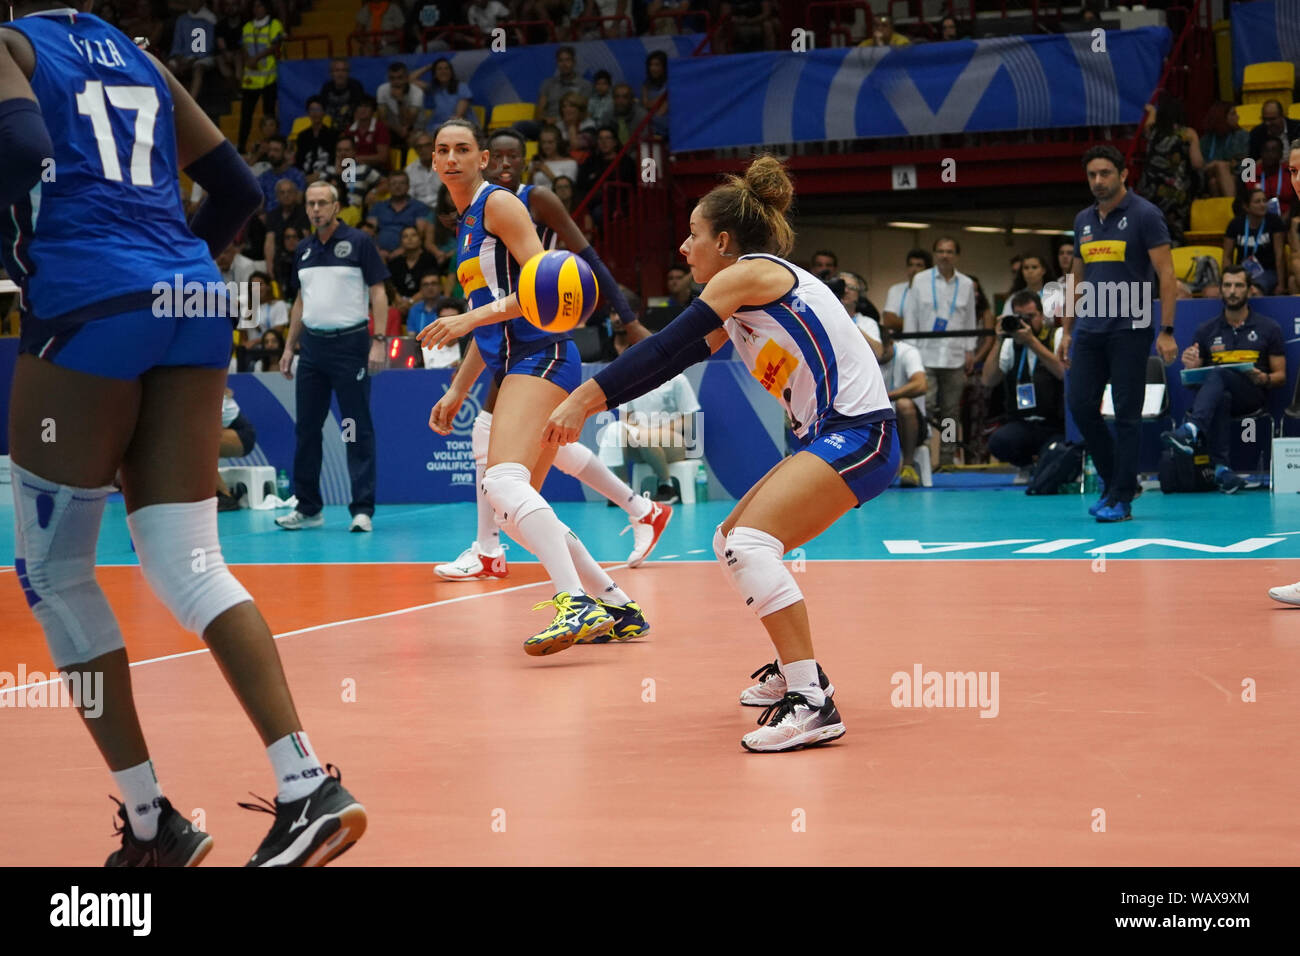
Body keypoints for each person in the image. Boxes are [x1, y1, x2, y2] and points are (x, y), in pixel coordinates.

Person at [0, 0, 364, 866]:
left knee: (54, 571)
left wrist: (51, 269)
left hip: (89, 300)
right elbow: (240, 188)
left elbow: (20, 153)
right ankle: (307, 785)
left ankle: (154, 822)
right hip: (193, 299)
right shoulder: (139, 56)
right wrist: (166, 276)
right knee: (191, 564)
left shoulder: (9, 44)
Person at [543, 155, 898, 753]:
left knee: (747, 543)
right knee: (728, 538)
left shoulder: (747, 275)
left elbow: (662, 347)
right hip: (838, 435)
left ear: (725, 242)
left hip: (861, 435)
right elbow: (674, 358)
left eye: (694, 235)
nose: (684, 247)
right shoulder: (742, 296)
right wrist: (597, 398)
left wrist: (582, 400)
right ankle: (797, 671)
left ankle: (812, 703)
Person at [415, 119, 651, 656]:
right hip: (515, 360)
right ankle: (612, 602)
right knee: (512, 510)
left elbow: (547, 291)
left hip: (542, 354)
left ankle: (574, 603)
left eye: (462, 149)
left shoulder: (498, 205)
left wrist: (463, 321)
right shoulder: (465, 223)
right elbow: (488, 318)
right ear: (432, 162)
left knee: (500, 481)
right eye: (441, 150)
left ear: (481, 159)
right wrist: (457, 389)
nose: (451, 158)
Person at [1058, 144, 1178, 522]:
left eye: (1105, 173)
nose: (1098, 181)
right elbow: (1076, 278)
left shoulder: (1145, 215)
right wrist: (1066, 331)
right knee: (1080, 406)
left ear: (1124, 174)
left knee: (1127, 414)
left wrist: (1168, 330)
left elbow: (1168, 275)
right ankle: (1118, 482)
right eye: (1092, 174)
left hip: (1130, 328)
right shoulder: (1083, 221)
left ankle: (1121, 497)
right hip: (1090, 330)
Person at [276, 182, 388, 533]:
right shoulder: (304, 250)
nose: (315, 209)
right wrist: (288, 347)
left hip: (351, 347)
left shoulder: (358, 243)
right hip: (312, 349)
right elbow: (300, 301)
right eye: (310, 203)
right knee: (306, 429)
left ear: (336, 207)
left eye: (322, 203)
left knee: (354, 429)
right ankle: (308, 508)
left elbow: (378, 292)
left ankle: (362, 509)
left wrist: (379, 340)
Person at [1162, 265, 1284, 493]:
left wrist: (1263, 377)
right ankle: (1222, 470)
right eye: (1227, 285)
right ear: (1220, 290)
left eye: (1238, 285)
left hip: (1252, 395)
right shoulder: (1206, 330)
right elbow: (1194, 384)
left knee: (1219, 373)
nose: (1232, 291)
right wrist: (1193, 366)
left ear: (1248, 290)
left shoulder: (1269, 328)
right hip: (1220, 399)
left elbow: (1280, 377)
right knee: (1221, 392)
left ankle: (1191, 430)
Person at [902, 236, 976, 468]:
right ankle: (920, 456)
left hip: (954, 356)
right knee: (926, 408)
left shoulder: (966, 284)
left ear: (957, 255)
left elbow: (970, 319)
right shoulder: (921, 280)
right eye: (940, 251)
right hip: (924, 355)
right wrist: (910, 352)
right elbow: (911, 317)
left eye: (950, 251)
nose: (945, 255)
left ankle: (947, 461)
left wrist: (969, 350)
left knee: (951, 414)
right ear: (934, 254)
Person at [981, 290, 1065, 474]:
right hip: (1022, 423)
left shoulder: (1056, 336)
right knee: (998, 442)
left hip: (1055, 424)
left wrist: (1032, 342)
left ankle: (1043, 466)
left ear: (1042, 316)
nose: (1025, 322)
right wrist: (998, 341)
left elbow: (1064, 374)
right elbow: (988, 380)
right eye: (1019, 317)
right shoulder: (1010, 344)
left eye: (1030, 316)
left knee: (1058, 453)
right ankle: (1027, 466)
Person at [614, 373, 699, 502]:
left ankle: (667, 486)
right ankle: (622, 491)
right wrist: (641, 431)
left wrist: (656, 431)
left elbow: (687, 420)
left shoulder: (678, 379)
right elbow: (624, 420)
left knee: (645, 437)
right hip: (640, 441)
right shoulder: (630, 380)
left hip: (673, 442)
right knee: (615, 433)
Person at [1135, 94, 1202, 246]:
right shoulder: (1188, 134)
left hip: (1149, 189)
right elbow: (1197, 163)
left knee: (1152, 230)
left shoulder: (1152, 131)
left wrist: (1151, 110)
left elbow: (1149, 121)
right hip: (1175, 191)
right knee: (1174, 229)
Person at [875, 327, 927, 487]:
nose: (878, 356)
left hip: (912, 425)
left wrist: (888, 396)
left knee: (904, 404)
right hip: (881, 423)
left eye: (881, 351)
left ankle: (908, 467)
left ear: (891, 343)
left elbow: (921, 385)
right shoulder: (867, 357)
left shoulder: (908, 352)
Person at [236, 0, 282, 154]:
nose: (257, 9)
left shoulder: (274, 24)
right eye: (255, 6)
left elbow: (275, 45)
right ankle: (241, 147)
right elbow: (243, 46)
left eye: (260, 5)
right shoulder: (247, 26)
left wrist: (256, 58)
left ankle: (273, 145)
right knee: (245, 116)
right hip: (250, 79)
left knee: (269, 114)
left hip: (268, 77)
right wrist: (249, 59)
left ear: (266, 8)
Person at [1223, 187, 1287, 295]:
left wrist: (1281, 285)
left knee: (1252, 290)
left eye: (1264, 201)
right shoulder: (1235, 224)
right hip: (1241, 271)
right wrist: (1225, 279)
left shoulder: (1274, 222)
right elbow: (1227, 256)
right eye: (1257, 202)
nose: (1263, 205)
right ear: (1246, 207)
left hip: (1267, 271)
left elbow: (1279, 255)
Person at [367, 170, 431, 259]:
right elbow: (369, 232)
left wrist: (402, 250)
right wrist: (377, 250)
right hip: (379, 254)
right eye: (394, 184)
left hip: (408, 253)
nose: (397, 186)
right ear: (388, 187)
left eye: (402, 183)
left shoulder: (419, 207)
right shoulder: (378, 207)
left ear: (408, 187)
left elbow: (420, 234)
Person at [216, 387, 257, 511]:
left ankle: (225, 496)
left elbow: (212, 425)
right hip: (225, 433)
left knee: (197, 442)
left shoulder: (210, 391)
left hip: (243, 436)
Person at [167, 0, 216, 100]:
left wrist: (191, 61)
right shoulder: (182, 20)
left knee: (198, 68)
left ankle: (191, 102)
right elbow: (177, 44)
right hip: (182, 57)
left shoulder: (209, 20)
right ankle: (167, 101)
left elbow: (208, 47)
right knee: (168, 68)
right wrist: (179, 59)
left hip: (202, 57)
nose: (193, 2)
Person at [1200, 101, 1250, 198]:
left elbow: (1244, 164)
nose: (1238, 117)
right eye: (1233, 114)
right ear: (1221, 117)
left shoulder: (1242, 136)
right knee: (1214, 179)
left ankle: (1231, 206)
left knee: (1215, 179)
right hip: (1210, 176)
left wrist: (1218, 165)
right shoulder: (1206, 140)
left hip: (1240, 176)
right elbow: (1202, 168)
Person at [536, 45, 592, 126]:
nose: (564, 64)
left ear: (574, 62)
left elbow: (585, 113)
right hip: (548, 126)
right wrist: (546, 120)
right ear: (557, 63)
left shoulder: (585, 85)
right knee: (523, 125)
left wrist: (558, 120)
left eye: (567, 60)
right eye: (560, 61)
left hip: (573, 124)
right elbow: (538, 114)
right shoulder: (548, 83)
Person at [412, 56, 471, 129]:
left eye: (446, 68)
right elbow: (409, 80)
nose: (443, 71)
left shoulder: (462, 87)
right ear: (435, 74)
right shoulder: (434, 88)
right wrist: (429, 67)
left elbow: (458, 117)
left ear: (451, 72)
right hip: (437, 127)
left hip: (458, 127)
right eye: (439, 69)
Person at [881, 248, 930, 333]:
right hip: (901, 343)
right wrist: (920, 324)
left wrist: (901, 322)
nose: (914, 269)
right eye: (911, 265)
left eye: (919, 265)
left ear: (927, 270)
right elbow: (889, 321)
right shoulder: (896, 290)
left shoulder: (933, 292)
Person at [293, 95, 337, 180]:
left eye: (318, 109)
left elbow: (333, 160)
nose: (315, 113)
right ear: (308, 112)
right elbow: (299, 160)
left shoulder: (333, 134)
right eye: (312, 109)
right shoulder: (302, 135)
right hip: (305, 175)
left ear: (324, 112)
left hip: (326, 174)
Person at [318, 57, 365, 131]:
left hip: (351, 130)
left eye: (344, 70)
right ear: (331, 73)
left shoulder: (355, 87)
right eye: (337, 70)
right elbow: (322, 112)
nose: (340, 74)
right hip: (330, 130)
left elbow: (360, 112)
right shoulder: (326, 88)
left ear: (348, 73)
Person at [527, 124, 579, 189]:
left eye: (550, 142)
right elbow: (529, 188)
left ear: (558, 142)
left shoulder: (570, 163)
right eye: (543, 142)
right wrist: (531, 174)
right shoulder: (536, 162)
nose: (546, 146)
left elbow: (568, 190)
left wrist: (547, 172)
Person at [404, 130, 440, 205]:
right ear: (415, 150)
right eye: (419, 147)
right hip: (419, 210)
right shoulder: (409, 170)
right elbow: (408, 197)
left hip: (442, 209)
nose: (424, 150)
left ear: (434, 146)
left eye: (427, 145)